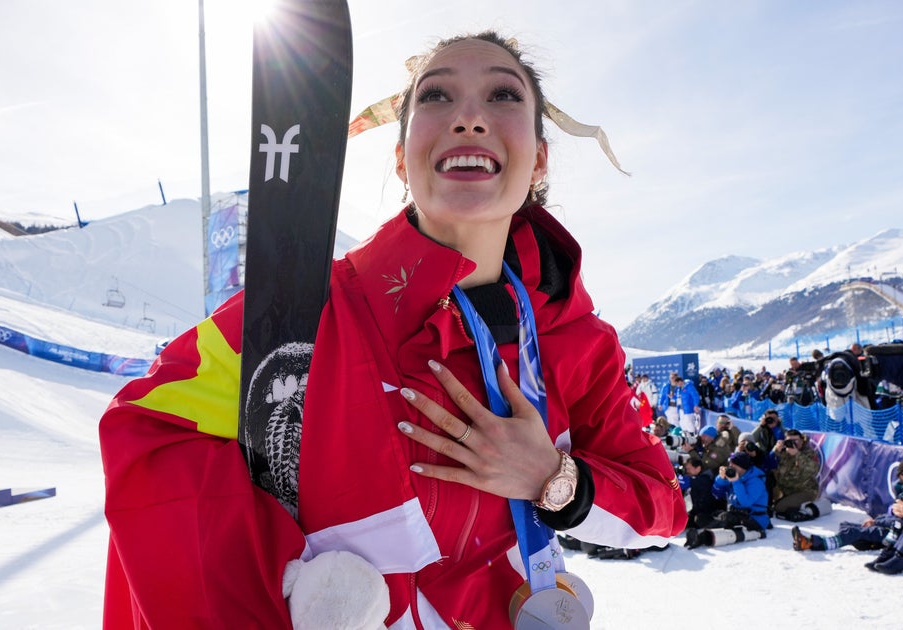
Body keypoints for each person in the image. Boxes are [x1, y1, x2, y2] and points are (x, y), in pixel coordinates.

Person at [98, 31, 686, 628]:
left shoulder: (577, 340)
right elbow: (146, 431)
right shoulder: (307, 307)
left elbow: (663, 506)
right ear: (402, 158)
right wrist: (285, 576)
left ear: (538, 157)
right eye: (436, 97)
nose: (469, 117)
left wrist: (555, 481)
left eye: (503, 95)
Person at [791, 458, 903, 553]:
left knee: (852, 532)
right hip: (897, 527)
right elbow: (895, 515)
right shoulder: (901, 488)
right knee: (847, 526)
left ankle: (811, 543)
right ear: (899, 475)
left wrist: (877, 521)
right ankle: (861, 540)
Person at [684, 452, 769, 549]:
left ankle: (702, 537)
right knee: (702, 517)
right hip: (736, 514)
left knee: (726, 520)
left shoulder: (756, 481)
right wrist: (721, 479)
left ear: (742, 467)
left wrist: (735, 481)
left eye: (734, 465)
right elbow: (716, 493)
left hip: (754, 518)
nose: (730, 467)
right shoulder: (735, 475)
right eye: (730, 464)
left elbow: (745, 502)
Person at [771, 429, 823, 520]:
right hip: (787, 491)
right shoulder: (784, 452)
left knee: (779, 508)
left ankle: (808, 509)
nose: (793, 443)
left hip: (805, 491)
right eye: (789, 441)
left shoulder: (809, 452)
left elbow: (814, 469)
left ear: (802, 440)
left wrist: (797, 454)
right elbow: (769, 464)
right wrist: (775, 451)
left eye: (796, 440)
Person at [679, 455, 721, 528]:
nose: (687, 471)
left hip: (709, 513)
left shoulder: (705, 479)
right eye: (686, 469)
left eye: (689, 469)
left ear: (698, 468)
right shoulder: (694, 479)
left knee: (699, 519)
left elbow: (685, 483)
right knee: (680, 520)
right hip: (696, 512)